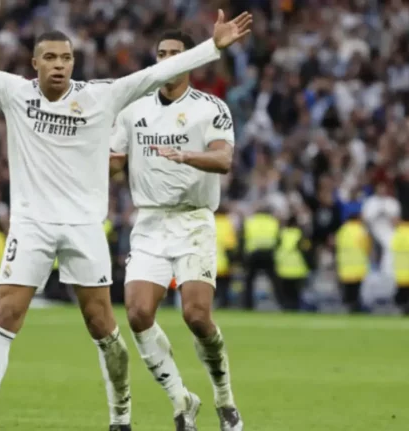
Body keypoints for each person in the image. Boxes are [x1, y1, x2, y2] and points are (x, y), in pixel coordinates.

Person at [0, 1, 251, 430]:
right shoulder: (14, 93)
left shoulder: (100, 97)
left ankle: (121, 416)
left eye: (66, 58)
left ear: (74, 63)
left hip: (85, 227)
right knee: (6, 314)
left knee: (104, 327)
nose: (59, 65)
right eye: (49, 57)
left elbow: (155, 75)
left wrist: (210, 48)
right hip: (31, 224)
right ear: (34, 63)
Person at [109, 30, 243, 431]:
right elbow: (115, 164)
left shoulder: (211, 108)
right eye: (161, 53)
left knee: (197, 317)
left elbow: (224, 160)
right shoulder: (133, 109)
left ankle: (225, 399)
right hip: (149, 220)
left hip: (193, 220)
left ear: (192, 61)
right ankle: (182, 400)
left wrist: (186, 155)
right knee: (137, 312)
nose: (166, 60)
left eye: (175, 54)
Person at [241, 206, 279, 310]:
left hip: (253, 254)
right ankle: (281, 303)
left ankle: (248, 305)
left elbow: (244, 238)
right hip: (268, 253)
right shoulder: (273, 221)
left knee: (249, 281)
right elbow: (277, 238)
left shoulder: (250, 221)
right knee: (274, 281)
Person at [334, 212, 372, 313]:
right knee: (356, 290)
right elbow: (367, 247)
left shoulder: (342, 230)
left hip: (345, 265)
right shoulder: (361, 231)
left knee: (347, 289)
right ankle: (355, 308)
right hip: (357, 266)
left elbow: (337, 245)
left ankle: (346, 307)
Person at [273, 216, 311, 311]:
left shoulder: (281, 234)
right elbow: (307, 251)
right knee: (296, 293)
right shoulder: (301, 235)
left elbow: (275, 250)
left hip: (283, 269)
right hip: (298, 269)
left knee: (286, 294)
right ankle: (295, 308)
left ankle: (286, 308)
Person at [214, 206, 237, 308]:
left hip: (209, 261)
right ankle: (223, 303)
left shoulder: (210, 222)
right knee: (224, 285)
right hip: (223, 261)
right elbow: (230, 246)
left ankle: (213, 303)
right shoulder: (228, 224)